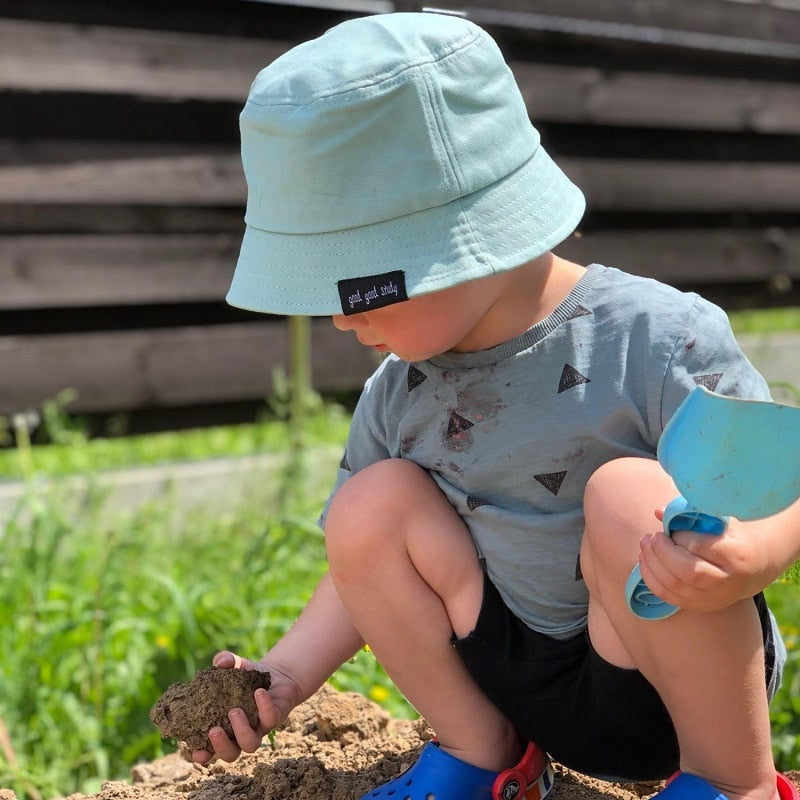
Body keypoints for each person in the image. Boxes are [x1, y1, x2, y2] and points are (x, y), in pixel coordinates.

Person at [193, 12, 800, 800]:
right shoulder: (399, 391)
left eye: (355, 285)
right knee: (368, 506)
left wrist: (753, 556)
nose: (340, 318)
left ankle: (734, 785)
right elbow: (360, 570)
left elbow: (777, 485)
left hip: (656, 667)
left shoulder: (652, 338)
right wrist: (285, 674)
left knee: (628, 497)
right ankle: (482, 759)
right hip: (509, 671)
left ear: (461, 234)